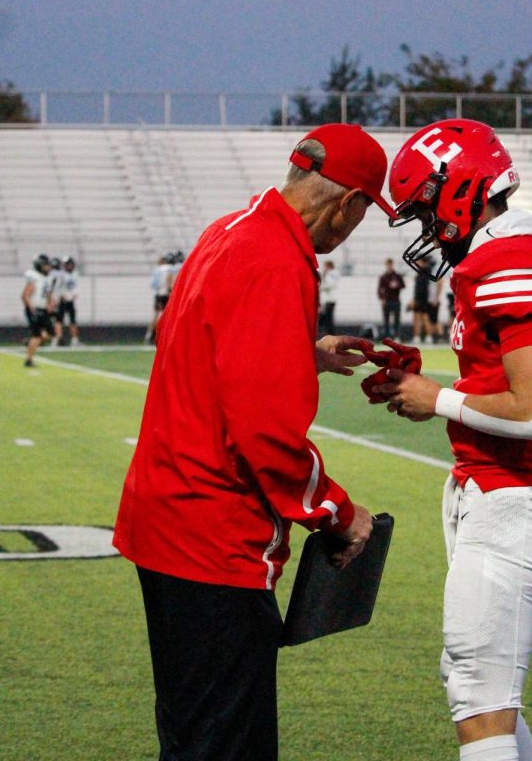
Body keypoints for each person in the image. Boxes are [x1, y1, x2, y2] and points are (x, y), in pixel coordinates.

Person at [113, 123, 396, 761]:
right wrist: (340, 512)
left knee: (190, 734)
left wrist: (298, 353)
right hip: (212, 537)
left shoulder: (229, 229)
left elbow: (188, 338)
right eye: (358, 216)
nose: (348, 233)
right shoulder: (277, 258)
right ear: (346, 204)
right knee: (225, 746)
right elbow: (265, 434)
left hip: (163, 519)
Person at [373, 119, 532, 761]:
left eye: (423, 209)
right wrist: (430, 387)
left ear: (457, 188)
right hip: (498, 490)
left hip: (515, 496)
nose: (423, 228)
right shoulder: (503, 254)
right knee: (475, 684)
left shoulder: (509, 257)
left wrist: (435, 398)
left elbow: (531, 411)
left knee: (479, 697)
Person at [22, 254, 56, 367]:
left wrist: (51, 303)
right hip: (34, 309)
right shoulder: (35, 278)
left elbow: (49, 293)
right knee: (37, 336)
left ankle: (30, 342)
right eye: (45, 266)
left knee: (51, 334)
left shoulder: (48, 279)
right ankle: (29, 360)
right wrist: (32, 309)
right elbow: (25, 296)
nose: (48, 268)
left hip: (43, 309)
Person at [145, 254, 173, 344]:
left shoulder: (156, 270)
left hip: (158, 294)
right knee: (168, 316)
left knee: (155, 315)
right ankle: (166, 335)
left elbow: (153, 284)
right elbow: (169, 280)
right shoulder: (168, 268)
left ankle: (149, 335)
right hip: (165, 294)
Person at [377, 257, 405, 338]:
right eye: (388, 264)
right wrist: (382, 299)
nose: (390, 266)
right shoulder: (383, 277)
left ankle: (397, 336)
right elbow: (379, 290)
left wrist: (397, 285)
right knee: (386, 320)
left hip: (396, 300)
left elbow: (403, 285)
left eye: (391, 264)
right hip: (387, 301)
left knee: (397, 320)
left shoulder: (397, 276)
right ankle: (387, 336)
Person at [57, 256, 81, 346]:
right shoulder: (61, 275)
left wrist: (75, 294)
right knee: (59, 320)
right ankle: (59, 339)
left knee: (73, 320)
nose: (70, 266)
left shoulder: (75, 274)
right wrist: (60, 295)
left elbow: (75, 286)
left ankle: (74, 339)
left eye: (71, 264)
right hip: (62, 300)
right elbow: (57, 287)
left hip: (70, 300)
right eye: (68, 264)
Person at [318, 259, 339, 336]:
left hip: (330, 299)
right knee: (326, 318)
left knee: (328, 318)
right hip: (327, 300)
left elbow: (329, 284)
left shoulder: (332, 274)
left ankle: (332, 335)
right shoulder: (328, 274)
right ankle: (328, 334)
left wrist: (320, 286)